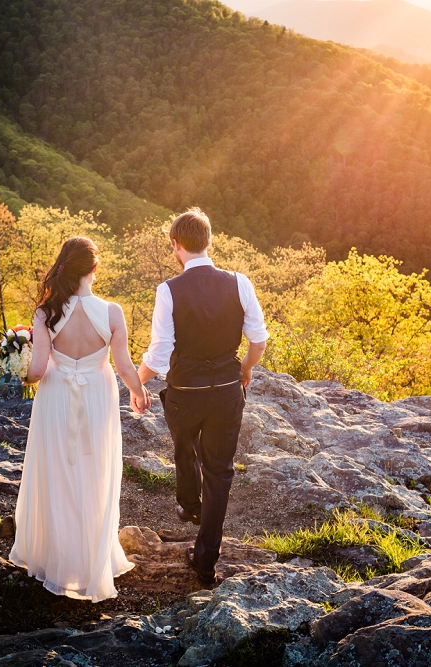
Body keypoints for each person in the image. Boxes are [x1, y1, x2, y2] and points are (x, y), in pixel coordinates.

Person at [10, 236, 151, 602]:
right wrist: (139, 392)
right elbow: (122, 365)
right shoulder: (112, 312)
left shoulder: (46, 312)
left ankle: (55, 559)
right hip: (96, 397)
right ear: (94, 269)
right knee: (94, 473)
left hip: (56, 397)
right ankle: (91, 560)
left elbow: (38, 370)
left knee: (56, 473)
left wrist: (18, 372)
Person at [138, 208, 268, 585]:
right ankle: (207, 557)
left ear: (176, 246)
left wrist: (135, 380)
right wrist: (244, 369)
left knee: (184, 445)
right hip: (228, 392)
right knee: (220, 472)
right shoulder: (239, 282)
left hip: (185, 392)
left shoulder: (169, 290)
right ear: (209, 241)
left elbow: (160, 353)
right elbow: (258, 340)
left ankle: (189, 504)